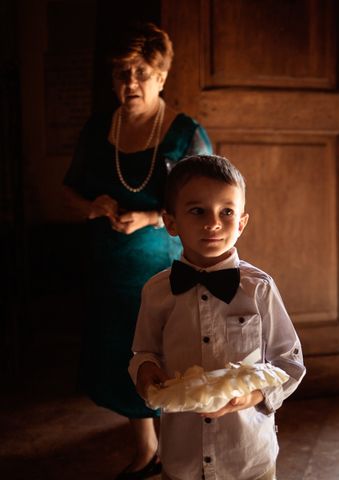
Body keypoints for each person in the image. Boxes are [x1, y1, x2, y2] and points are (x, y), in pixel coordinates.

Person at [62, 23, 212, 479]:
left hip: (163, 270)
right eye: (121, 74)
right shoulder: (98, 128)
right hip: (108, 272)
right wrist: (93, 205)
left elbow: (206, 202)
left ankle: (178, 458)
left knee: (169, 363)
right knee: (123, 360)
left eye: (141, 72)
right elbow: (68, 189)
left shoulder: (185, 133)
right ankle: (145, 451)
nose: (129, 83)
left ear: (162, 76)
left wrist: (147, 218)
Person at [129, 155, 305, 480]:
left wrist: (252, 396)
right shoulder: (156, 292)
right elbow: (143, 353)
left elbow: (290, 362)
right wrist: (146, 370)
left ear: (241, 223)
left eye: (226, 212)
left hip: (248, 457)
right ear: (171, 222)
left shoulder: (259, 289)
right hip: (182, 458)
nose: (213, 223)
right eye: (197, 211)